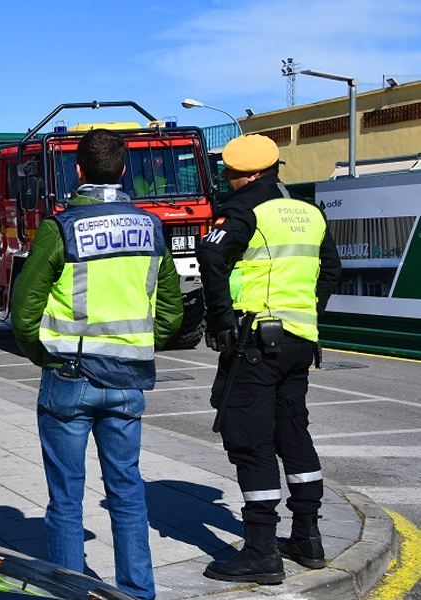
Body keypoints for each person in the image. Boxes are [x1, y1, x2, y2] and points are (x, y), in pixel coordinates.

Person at [11, 129, 183, 600]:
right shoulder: (151, 228)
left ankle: (71, 592)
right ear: (124, 169)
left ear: (79, 171)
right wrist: (137, 346)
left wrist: (46, 356)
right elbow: (171, 311)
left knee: (66, 499)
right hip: (128, 380)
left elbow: (24, 313)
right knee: (127, 492)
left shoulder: (60, 227)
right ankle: (137, 593)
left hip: (70, 377)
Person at [197, 135, 341, 584]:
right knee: (293, 433)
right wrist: (306, 314)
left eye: (230, 174)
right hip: (299, 342)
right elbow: (331, 270)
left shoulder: (243, 210)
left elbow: (211, 255)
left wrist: (221, 320)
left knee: (250, 440)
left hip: (255, 342)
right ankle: (307, 537)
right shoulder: (308, 212)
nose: (227, 180)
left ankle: (261, 550)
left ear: (251, 174)